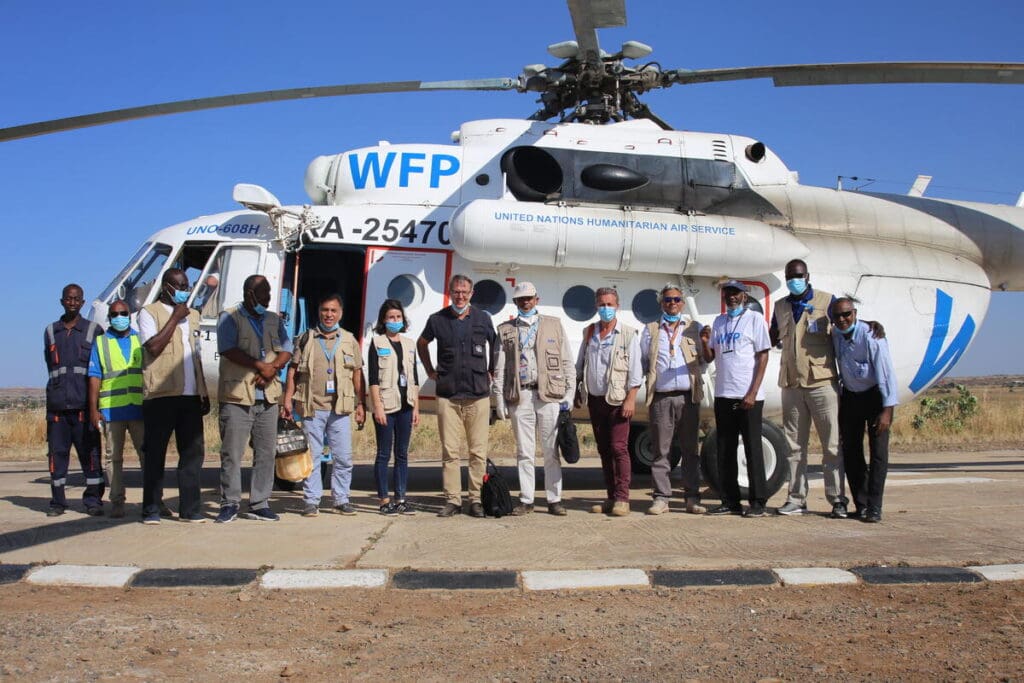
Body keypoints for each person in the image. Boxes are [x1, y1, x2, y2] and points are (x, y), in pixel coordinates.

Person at [770, 259, 848, 518]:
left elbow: (845, 330)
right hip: (791, 383)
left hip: (821, 382)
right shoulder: (780, 306)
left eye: (799, 275)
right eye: (791, 276)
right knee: (794, 446)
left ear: (807, 275)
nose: (795, 279)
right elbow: (771, 337)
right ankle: (796, 498)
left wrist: (869, 330)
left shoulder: (827, 302)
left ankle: (837, 499)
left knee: (832, 445)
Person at [417, 274, 497, 518]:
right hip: (448, 396)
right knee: (450, 451)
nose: (460, 296)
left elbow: (495, 345)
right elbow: (422, 343)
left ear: (471, 294)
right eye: (456, 292)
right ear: (450, 292)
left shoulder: (483, 318)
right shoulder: (437, 319)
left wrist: (492, 370)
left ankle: (475, 499)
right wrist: (430, 370)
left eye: (465, 292)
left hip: (478, 395)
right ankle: (452, 500)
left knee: (477, 451)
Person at [493, 282, 576, 517]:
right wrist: (499, 400)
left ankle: (554, 499)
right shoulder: (506, 329)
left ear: (536, 299)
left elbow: (567, 361)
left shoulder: (554, 324)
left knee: (551, 450)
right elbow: (499, 369)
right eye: (520, 300)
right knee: (524, 451)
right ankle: (527, 499)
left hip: (549, 395)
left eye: (529, 298)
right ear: (516, 303)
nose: (525, 302)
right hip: (521, 396)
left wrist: (569, 395)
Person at [215, 275, 293, 523]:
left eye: (269, 293)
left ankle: (259, 503)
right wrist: (261, 366)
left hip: (268, 397)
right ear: (249, 294)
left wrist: (274, 368)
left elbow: (287, 348)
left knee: (266, 452)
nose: (267, 299)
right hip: (238, 397)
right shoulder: (229, 317)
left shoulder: (273, 319)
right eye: (262, 294)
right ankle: (230, 503)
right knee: (232, 453)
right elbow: (228, 349)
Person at [282, 293, 365, 517]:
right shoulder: (306, 338)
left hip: (340, 408)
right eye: (324, 310)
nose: (329, 315)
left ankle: (341, 499)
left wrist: (360, 403)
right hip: (312, 407)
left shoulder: (349, 340)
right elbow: (293, 371)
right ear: (319, 312)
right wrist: (287, 399)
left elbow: (357, 373)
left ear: (341, 313)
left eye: (333, 311)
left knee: (344, 457)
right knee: (313, 456)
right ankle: (311, 500)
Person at [138, 269, 210, 524]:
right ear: (166, 286)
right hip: (161, 394)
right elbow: (153, 347)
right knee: (155, 453)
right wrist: (174, 319)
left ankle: (190, 510)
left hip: (190, 395)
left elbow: (196, 353)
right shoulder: (149, 313)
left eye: (186, 285)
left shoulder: (194, 316)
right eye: (179, 285)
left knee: (192, 453)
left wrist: (202, 390)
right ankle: (152, 509)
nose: (183, 289)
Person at [700, 279, 771, 518]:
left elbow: (762, 356)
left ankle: (758, 501)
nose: (731, 297)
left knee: (752, 449)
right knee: (725, 450)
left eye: (736, 293)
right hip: (723, 393)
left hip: (748, 395)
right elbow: (710, 357)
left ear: (744, 295)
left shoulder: (754, 319)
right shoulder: (719, 322)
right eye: (727, 293)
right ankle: (730, 501)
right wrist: (703, 343)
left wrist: (752, 392)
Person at [640, 284, 707, 515]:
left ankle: (691, 497)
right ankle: (661, 498)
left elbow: (704, 361)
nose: (672, 304)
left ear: (683, 303)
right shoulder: (650, 329)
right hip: (661, 397)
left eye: (677, 300)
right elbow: (644, 361)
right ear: (661, 303)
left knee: (690, 449)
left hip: (688, 396)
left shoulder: (694, 328)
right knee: (661, 449)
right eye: (668, 300)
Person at [831, 297, 898, 523]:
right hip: (851, 396)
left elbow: (886, 374)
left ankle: (875, 506)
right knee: (851, 451)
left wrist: (887, 410)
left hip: (875, 397)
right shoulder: (836, 335)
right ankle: (861, 504)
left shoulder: (872, 336)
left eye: (847, 314)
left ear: (855, 313)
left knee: (878, 453)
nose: (842, 320)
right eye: (838, 316)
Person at [576, 287, 642, 517]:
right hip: (595, 399)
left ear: (617, 306)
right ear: (596, 306)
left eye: (609, 304)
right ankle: (611, 496)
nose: (606, 308)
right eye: (602, 304)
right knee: (604, 449)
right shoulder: (589, 332)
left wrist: (630, 399)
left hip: (618, 400)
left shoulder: (628, 334)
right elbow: (580, 362)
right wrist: (577, 389)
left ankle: (623, 498)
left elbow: (635, 371)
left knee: (619, 448)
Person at [44, 284, 104, 517]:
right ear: (62, 301)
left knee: (90, 456)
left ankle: (93, 501)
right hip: (58, 408)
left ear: (82, 302)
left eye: (76, 299)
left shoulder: (93, 331)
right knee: (56, 456)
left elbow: (97, 371)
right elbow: (50, 365)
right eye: (68, 299)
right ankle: (58, 502)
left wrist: (94, 408)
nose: (72, 302)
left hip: (82, 407)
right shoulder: (50, 331)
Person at [87, 299, 144, 518]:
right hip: (112, 409)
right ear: (109, 318)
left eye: (123, 313)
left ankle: (153, 500)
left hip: (138, 408)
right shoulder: (100, 343)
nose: (119, 317)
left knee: (147, 456)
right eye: (115, 314)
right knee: (113, 458)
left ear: (130, 315)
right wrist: (94, 409)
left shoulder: (141, 340)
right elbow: (94, 377)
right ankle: (117, 501)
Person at [367, 299, 420, 515]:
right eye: (391, 317)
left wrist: (415, 407)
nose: (395, 321)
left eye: (398, 317)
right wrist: (377, 407)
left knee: (402, 454)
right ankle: (383, 500)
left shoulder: (409, 344)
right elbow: (372, 378)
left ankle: (400, 498)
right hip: (386, 406)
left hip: (406, 405)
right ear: (383, 320)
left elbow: (414, 377)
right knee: (383, 454)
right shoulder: (377, 343)